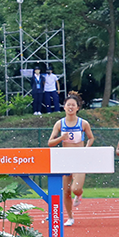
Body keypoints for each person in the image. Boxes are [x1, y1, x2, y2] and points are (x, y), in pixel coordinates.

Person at [46, 92, 94, 226]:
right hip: (65, 159)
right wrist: (61, 138)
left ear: (78, 107)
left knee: (75, 189)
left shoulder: (83, 123)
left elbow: (90, 137)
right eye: (68, 105)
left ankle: (79, 194)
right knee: (66, 191)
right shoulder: (59, 124)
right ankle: (70, 217)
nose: (71, 107)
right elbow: (50, 142)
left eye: (73, 105)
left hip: (79, 158)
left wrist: (87, 148)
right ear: (64, 107)